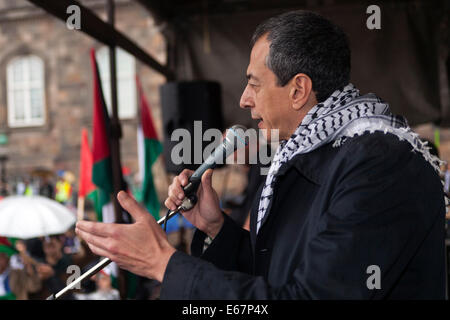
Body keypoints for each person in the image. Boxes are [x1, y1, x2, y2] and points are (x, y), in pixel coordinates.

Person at [76, 11, 446, 299]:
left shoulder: (379, 164)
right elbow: (280, 273)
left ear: (298, 90)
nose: (244, 100)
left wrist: (163, 263)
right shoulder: (315, 151)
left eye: (254, 84)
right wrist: (216, 228)